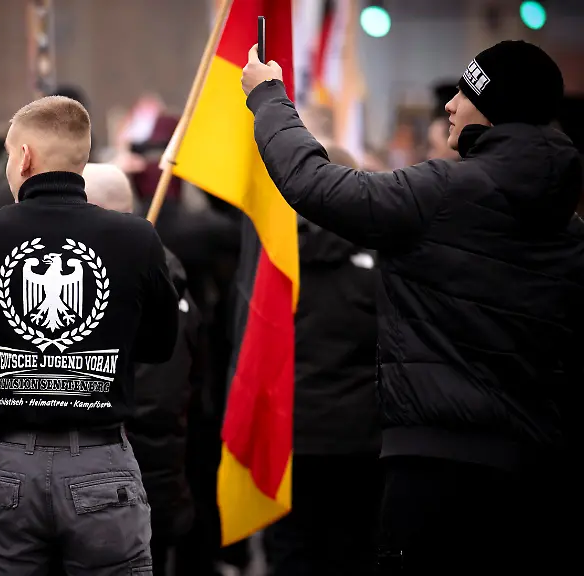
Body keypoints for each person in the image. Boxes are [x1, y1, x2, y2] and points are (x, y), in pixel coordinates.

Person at [240, 39, 584, 573]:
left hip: (434, 471)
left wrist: (267, 98)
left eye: (466, 93)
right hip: (535, 470)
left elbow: (315, 183)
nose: (449, 105)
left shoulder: (442, 192)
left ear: (494, 109)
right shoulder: (569, 227)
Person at [0, 96, 180, 575]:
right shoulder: (138, 238)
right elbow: (160, 345)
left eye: (10, 155)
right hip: (101, 460)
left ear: (25, 156)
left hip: (6, 463)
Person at [262, 146, 380, 576]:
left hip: (292, 437)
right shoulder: (382, 262)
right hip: (363, 442)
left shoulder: (275, 262)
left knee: (294, 551)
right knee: (355, 551)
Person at [83, 163, 202, 576]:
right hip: (143, 481)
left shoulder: (138, 285)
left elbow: (157, 398)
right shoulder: (160, 272)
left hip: (129, 482)